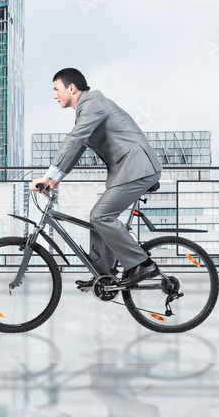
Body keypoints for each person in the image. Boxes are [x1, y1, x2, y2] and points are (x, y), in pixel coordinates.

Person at [30, 68, 163, 288]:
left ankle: (142, 264)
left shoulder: (92, 103)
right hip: (128, 170)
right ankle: (103, 275)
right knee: (99, 220)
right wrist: (54, 181)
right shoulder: (86, 109)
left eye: (56, 89)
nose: (54, 95)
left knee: (101, 216)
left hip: (138, 168)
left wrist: (47, 175)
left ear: (71, 88)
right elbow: (79, 146)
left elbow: (74, 139)